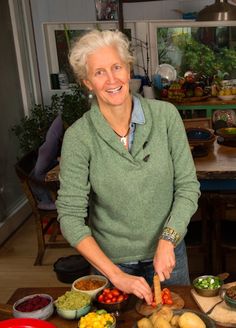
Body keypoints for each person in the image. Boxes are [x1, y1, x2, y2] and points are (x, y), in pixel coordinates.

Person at [56, 29, 200, 305]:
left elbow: (187, 187)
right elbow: (70, 217)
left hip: (168, 255)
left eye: (116, 67)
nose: (111, 79)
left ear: (128, 68)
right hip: (111, 264)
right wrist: (115, 275)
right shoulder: (79, 137)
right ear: (87, 82)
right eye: (99, 72)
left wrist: (168, 239)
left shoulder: (166, 117)